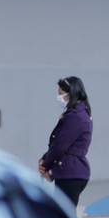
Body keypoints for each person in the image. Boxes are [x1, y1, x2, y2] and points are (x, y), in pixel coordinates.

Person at [39, 76, 93, 207]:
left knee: (63, 217)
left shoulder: (75, 117)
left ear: (71, 94)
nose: (59, 98)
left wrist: (45, 163)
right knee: (63, 214)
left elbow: (60, 145)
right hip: (72, 172)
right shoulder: (80, 114)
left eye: (61, 94)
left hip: (69, 173)